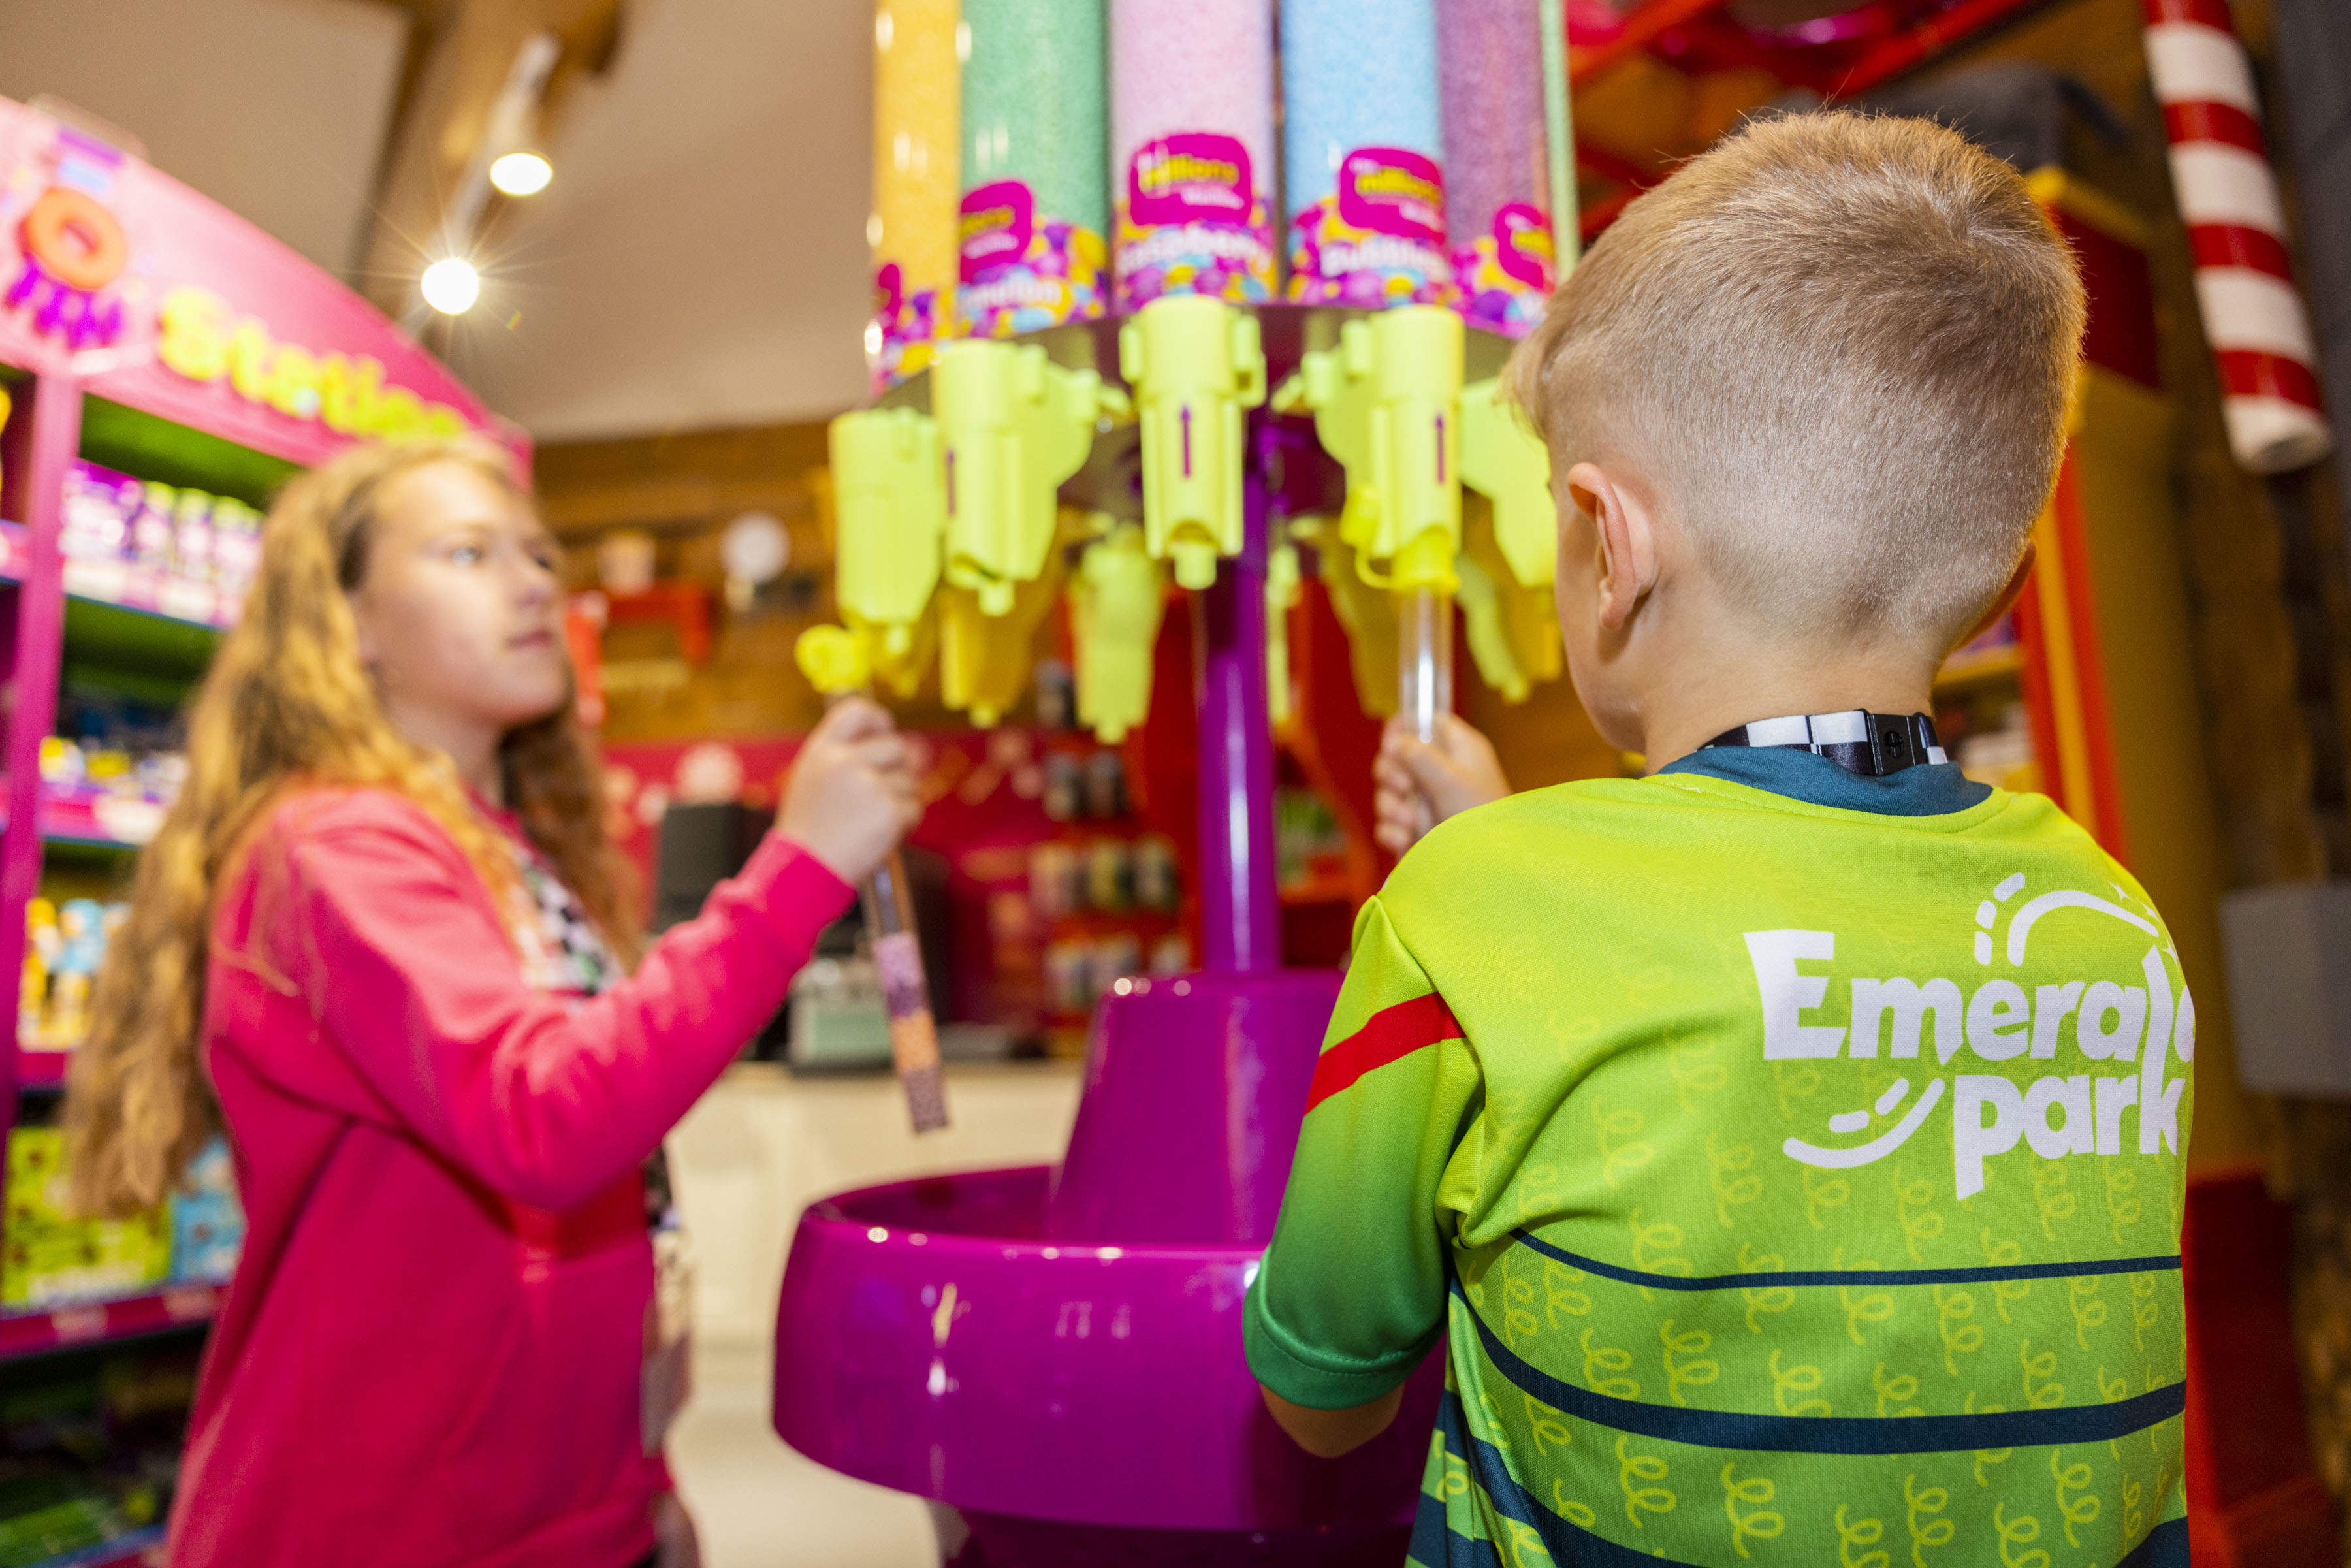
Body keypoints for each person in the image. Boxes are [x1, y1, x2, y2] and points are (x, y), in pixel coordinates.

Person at [1245, 112, 2194, 1566]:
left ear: (1608, 546)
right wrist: (1508, 871)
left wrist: (1482, 890)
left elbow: (1321, 1394)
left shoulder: (1472, 915)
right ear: (2004, 568)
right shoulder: (2119, 929)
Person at [63, 439, 918, 1568]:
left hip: (555, 1510)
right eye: (469, 552)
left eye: (538, 554)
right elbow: (549, 1116)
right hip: (380, 1529)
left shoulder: (502, 852)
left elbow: (617, 1197)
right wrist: (800, 864)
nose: (531, 583)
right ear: (348, 624)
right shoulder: (334, 848)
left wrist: (638, 1477)